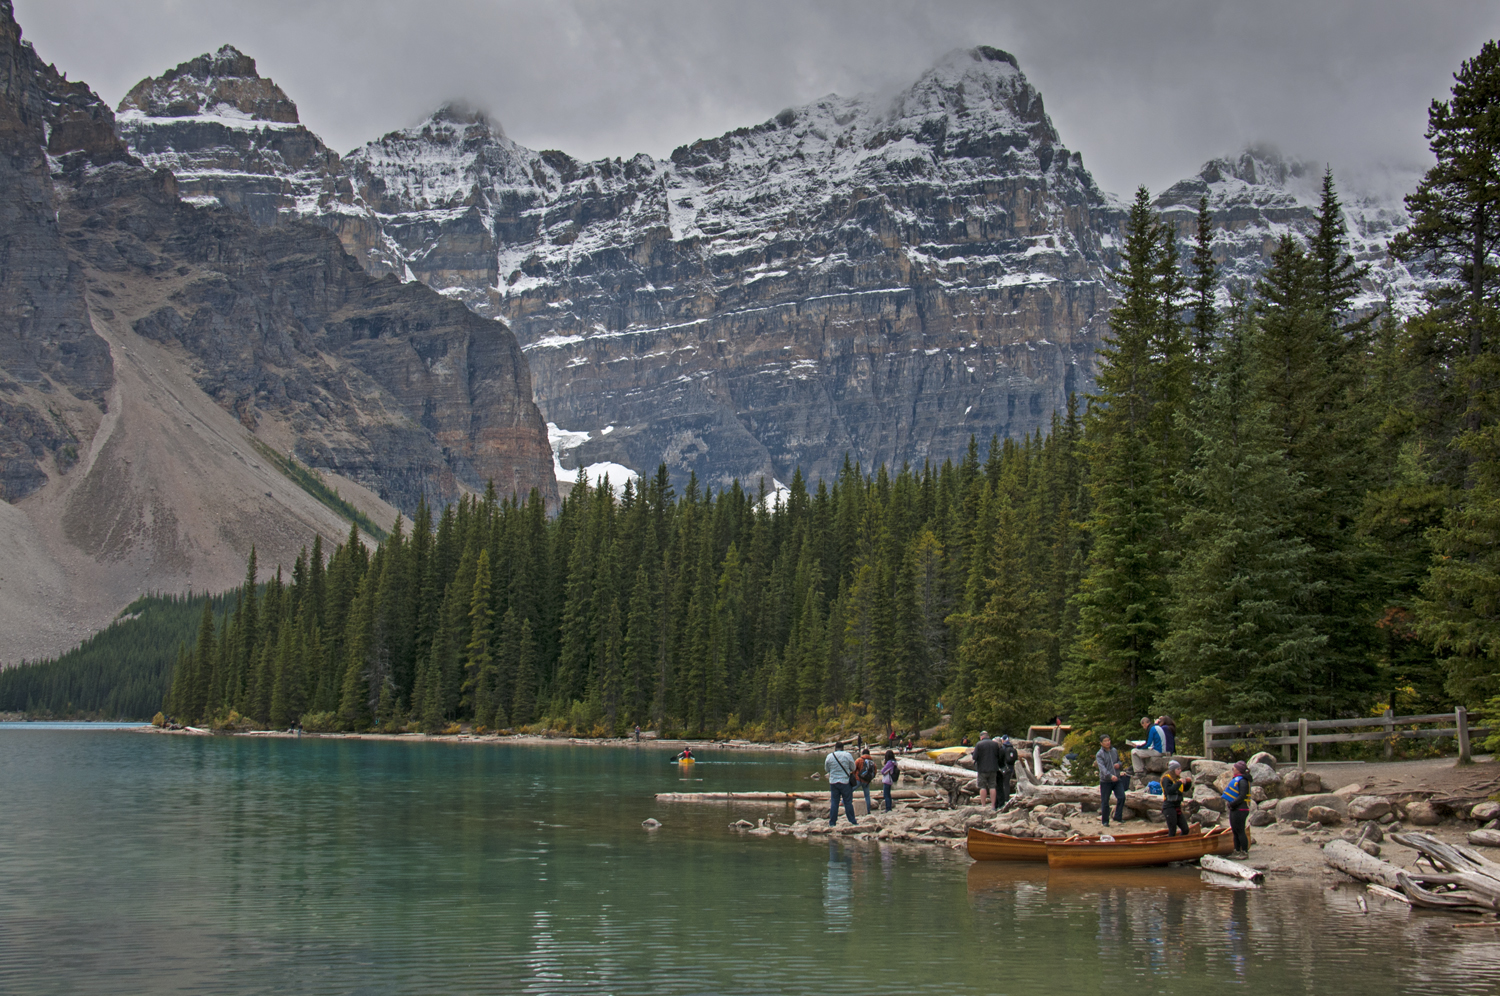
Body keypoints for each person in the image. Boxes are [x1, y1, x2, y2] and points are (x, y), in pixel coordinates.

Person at [824, 740, 858, 826]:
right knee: (847, 802)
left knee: (834, 802)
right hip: (845, 781)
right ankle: (852, 821)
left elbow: (827, 769)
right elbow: (853, 768)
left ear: (835, 748)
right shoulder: (847, 755)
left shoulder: (830, 756)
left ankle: (832, 822)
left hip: (833, 782)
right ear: (843, 748)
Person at [1222, 760, 1252, 858]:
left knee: (1240, 831)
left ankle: (1244, 852)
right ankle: (1237, 850)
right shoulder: (1238, 779)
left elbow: (1242, 796)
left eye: (1234, 768)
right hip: (1235, 809)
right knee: (1235, 831)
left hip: (1241, 809)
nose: (1232, 770)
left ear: (1239, 770)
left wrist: (1232, 804)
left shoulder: (1243, 781)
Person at [1096, 735, 1127, 826]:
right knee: (1105, 801)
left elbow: (1119, 761)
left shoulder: (1114, 751)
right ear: (1101, 743)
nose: (1108, 742)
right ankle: (1105, 821)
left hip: (1117, 779)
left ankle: (1118, 816)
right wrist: (1110, 776)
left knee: (1121, 797)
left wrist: (1119, 765)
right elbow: (1102, 768)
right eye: (1105, 741)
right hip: (1106, 781)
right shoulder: (1099, 754)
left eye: (1109, 740)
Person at [1161, 760, 1192, 836]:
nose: (1180, 771)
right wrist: (1179, 783)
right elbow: (1169, 791)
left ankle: (1181, 844)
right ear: (1173, 770)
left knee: (1185, 829)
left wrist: (1188, 783)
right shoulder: (1166, 779)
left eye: (1180, 769)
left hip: (1177, 806)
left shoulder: (1177, 779)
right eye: (1178, 769)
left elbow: (1182, 790)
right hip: (1169, 807)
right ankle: (1170, 846)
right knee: (1172, 831)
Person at [972, 731, 1001, 808]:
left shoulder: (979, 744)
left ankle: (983, 805)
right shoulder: (995, 744)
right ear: (988, 736)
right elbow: (998, 755)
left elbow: (974, 757)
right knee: (992, 786)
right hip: (993, 768)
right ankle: (993, 805)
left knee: (982, 787)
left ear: (981, 737)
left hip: (982, 769)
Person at [996, 734, 1019, 809]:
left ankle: (1003, 799)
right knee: (1007, 783)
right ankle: (1007, 797)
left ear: (1003, 740)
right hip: (1011, 768)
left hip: (1004, 768)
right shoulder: (1012, 748)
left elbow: (1001, 758)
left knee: (1001, 784)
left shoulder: (1003, 748)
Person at [854, 748, 878, 814]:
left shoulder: (859, 760)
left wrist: (854, 776)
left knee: (849, 790)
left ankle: (843, 802)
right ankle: (868, 810)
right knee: (867, 795)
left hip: (858, 779)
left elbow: (853, 768)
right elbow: (875, 772)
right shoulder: (872, 762)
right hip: (867, 781)